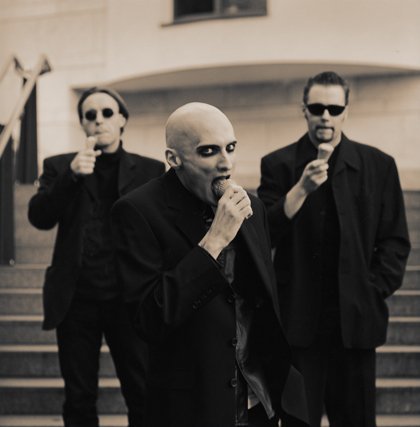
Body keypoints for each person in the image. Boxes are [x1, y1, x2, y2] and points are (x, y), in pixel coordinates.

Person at [111, 102, 309, 427]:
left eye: (230, 148)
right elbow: (149, 318)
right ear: (174, 158)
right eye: (208, 151)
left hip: (260, 399)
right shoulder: (136, 211)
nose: (226, 163)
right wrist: (214, 241)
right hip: (193, 405)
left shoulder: (252, 207)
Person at [258, 71, 411, 427]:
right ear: (304, 110)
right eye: (317, 108)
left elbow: (395, 241)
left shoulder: (379, 166)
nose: (325, 116)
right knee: (298, 421)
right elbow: (264, 235)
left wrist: (371, 290)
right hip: (299, 324)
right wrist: (301, 189)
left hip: (355, 323)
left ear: (346, 111)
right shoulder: (278, 164)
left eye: (334, 108)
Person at [28, 87, 165, 427]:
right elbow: (39, 217)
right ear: (82, 124)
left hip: (130, 299)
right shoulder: (59, 166)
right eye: (90, 115)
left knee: (143, 392)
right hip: (76, 299)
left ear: (122, 120)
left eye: (107, 113)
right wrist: (71, 176)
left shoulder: (150, 171)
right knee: (79, 398)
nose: (99, 120)